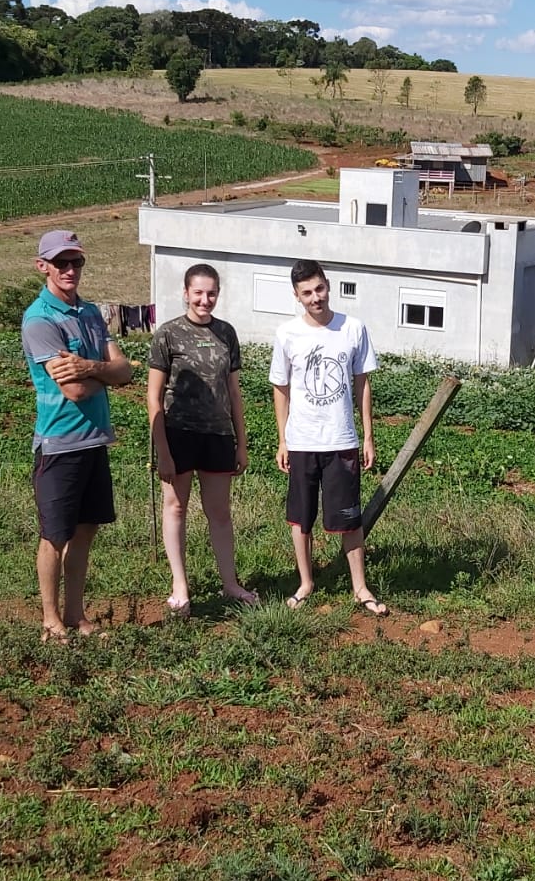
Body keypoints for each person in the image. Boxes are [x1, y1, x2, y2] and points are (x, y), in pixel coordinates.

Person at [21, 229, 132, 642]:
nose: (70, 270)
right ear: (43, 266)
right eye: (61, 262)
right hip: (59, 443)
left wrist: (88, 366)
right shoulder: (39, 320)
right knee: (54, 535)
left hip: (94, 439)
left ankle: (75, 613)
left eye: (76, 262)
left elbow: (125, 372)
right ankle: (50, 619)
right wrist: (104, 371)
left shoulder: (89, 313)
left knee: (85, 530)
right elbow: (76, 390)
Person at [269, 258, 388, 615]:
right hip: (302, 441)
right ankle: (306, 583)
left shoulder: (353, 328)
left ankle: (360, 587)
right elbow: (281, 388)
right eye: (306, 292)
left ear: (328, 286)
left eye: (319, 288)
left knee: (350, 518)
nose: (315, 297)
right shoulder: (287, 333)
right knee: (300, 518)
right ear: (297, 295)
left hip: (341, 440)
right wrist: (283, 439)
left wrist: (367, 436)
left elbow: (363, 383)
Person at [147, 263, 258, 618]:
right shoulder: (167, 334)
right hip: (178, 433)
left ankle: (230, 583)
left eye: (211, 293)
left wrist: (241, 441)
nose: (204, 299)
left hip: (218, 434)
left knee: (220, 512)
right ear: (185, 293)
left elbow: (234, 391)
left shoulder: (227, 333)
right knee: (175, 507)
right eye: (198, 292)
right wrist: (162, 450)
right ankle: (180, 586)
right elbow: (153, 397)